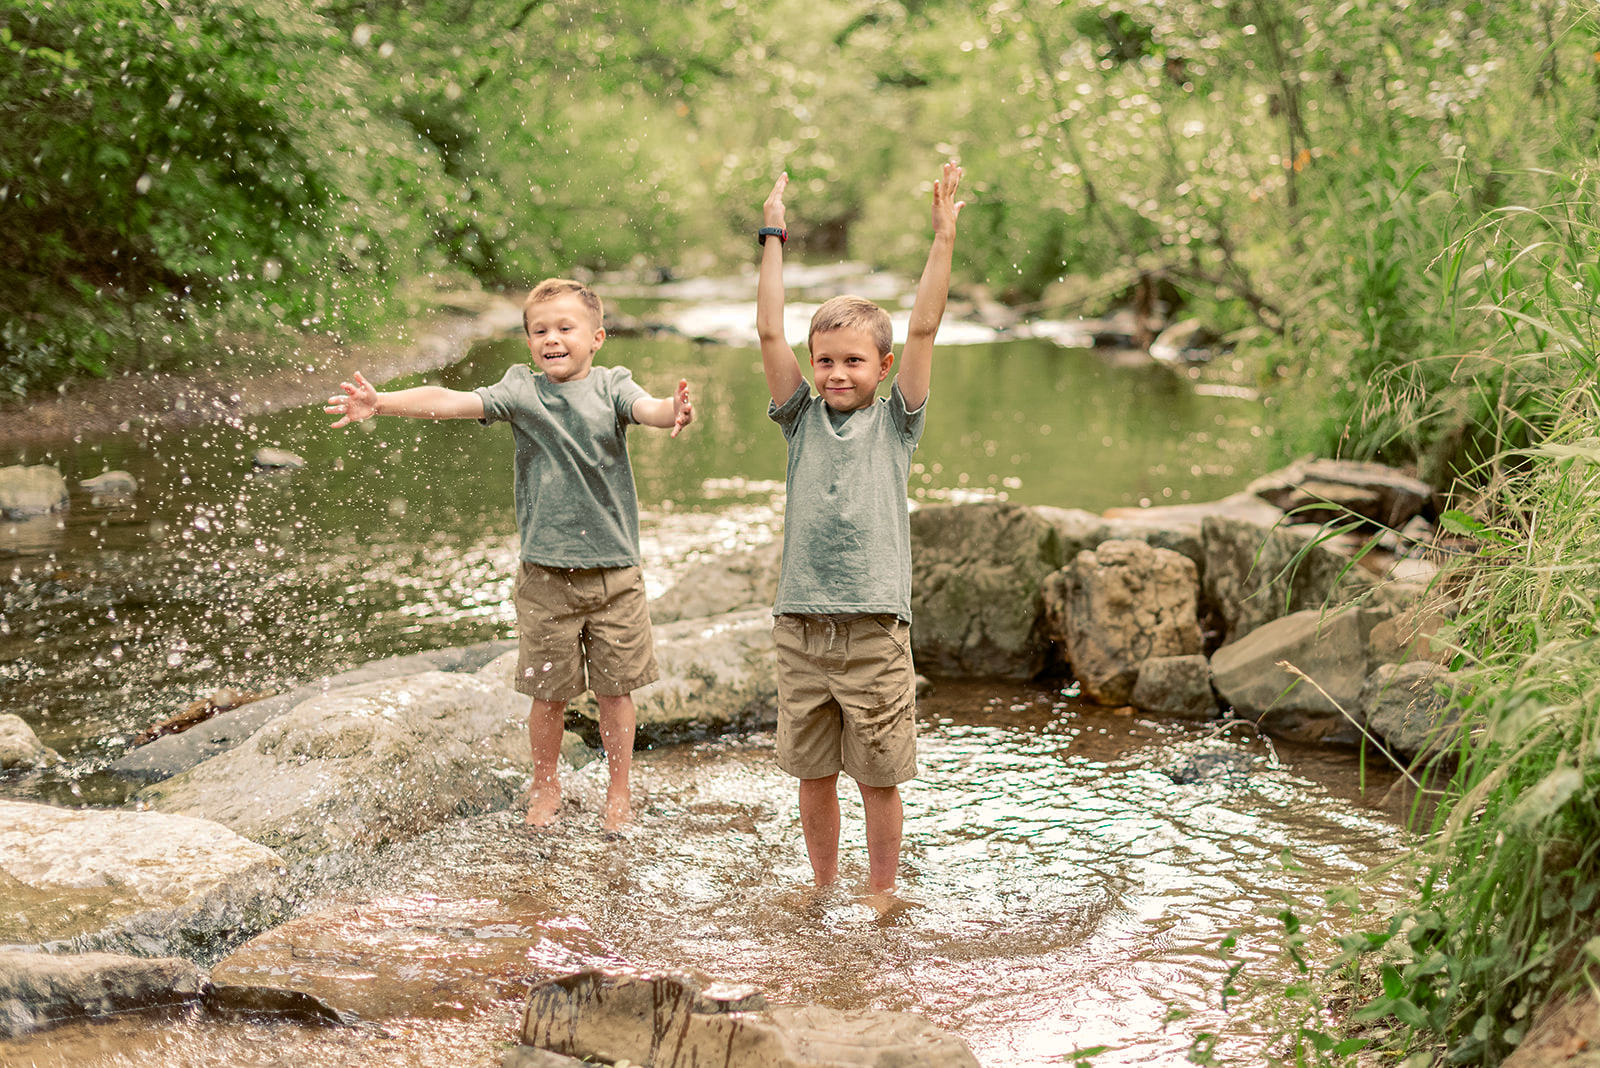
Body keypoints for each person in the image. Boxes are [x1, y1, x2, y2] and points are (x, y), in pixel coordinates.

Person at [326, 278, 693, 833]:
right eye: (540, 330)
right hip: (545, 576)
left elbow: (650, 410)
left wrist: (675, 410)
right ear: (528, 342)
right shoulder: (523, 391)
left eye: (565, 328)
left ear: (595, 338)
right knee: (547, 694)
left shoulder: (613, 386)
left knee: (617, 692)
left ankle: (619, 792)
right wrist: (382, 403)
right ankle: (545, 784)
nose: (552, 338)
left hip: (616, 574)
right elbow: (449, 401)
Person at [755, 162, 964, 896]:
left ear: (882, 365)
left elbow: (926, 324)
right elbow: (767, 328)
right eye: (825, 361)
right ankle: (822, 888)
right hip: (802, 630)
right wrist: (773, 232)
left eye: (853, 361)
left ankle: (880, 895)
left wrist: (943, 239)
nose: (836, 373)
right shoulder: (800, 420)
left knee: (878, 779)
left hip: (874, 632)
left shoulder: (896, 422)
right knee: (812, 776)